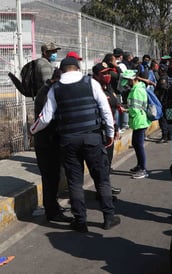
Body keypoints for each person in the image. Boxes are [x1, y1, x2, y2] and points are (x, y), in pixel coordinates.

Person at [30, 57, 121, 232]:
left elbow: (45, 117)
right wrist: (110, 133)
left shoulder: (55, 88)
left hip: (68, 141)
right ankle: (108, 217)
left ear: (62, 70)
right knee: (101, 179)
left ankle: (80, 220)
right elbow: (105, 110)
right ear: (78, 68)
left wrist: (32, 130)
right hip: (92, 138)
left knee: (75, 182)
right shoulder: (91, 83)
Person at [33, 42, 72, 223]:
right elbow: (47, 119)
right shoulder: (48, 92)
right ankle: (52, 211)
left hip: (47, 140)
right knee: (50, 178)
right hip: (47, 141)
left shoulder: (47, 89)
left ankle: (53, 207)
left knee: (52, 177)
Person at [92, 62, 122, 196]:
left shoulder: (108, 87)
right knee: (101, 164)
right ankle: (102, 192)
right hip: (100, 131)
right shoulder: (95, 89)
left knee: (107, 162)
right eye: (104, 73)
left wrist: (115, 129)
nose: (107, 75)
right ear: (96, 75)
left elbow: (113, 107)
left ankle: (106, 188)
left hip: (110, 129)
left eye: (108, 72)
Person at [121, 69, 152, 179]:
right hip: (138, 120)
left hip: (139, 120)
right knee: (136, 143)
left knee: (139, 145)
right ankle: (139, 165)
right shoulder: (137, 88)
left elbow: (135, 109)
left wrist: (126, 110)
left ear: (132, 80)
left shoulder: (137, 90)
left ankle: (143, 168)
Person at [154, 63, 171, 143]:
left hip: (162, 102)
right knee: (166, 119)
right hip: (165, 102)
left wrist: (160, 100)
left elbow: (163, 89)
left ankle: (165, 136)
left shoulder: (163, 78)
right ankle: (168, 135)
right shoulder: (165, 77)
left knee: (163, 119)